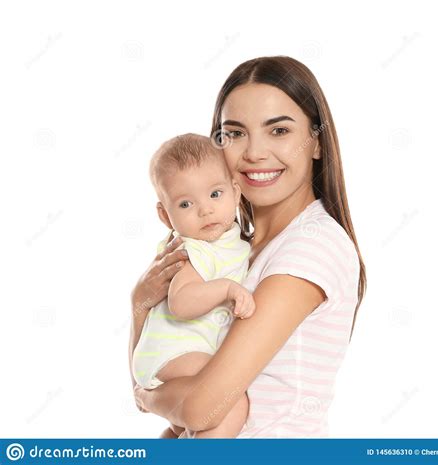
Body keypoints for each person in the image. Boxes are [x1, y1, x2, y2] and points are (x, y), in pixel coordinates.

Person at [131, 55, 367, 438]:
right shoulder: (235, 247)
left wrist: (147, 400)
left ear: (317, 144)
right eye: (235, 133)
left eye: (278, 131)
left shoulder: (311, 248)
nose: (255, 152)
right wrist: (139, 305)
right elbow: (158, 366)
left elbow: (201, 408)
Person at [130, 133, 256, 438]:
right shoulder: (193, 249)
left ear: (235, 193)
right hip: (174, 351)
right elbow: (181, 302)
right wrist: (227, 288)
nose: (205, 210)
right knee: (229, 402)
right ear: (165, 215)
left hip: (174, 352)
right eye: (186, 203)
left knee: (187, 428)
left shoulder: (228, 240)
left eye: (215, 194)